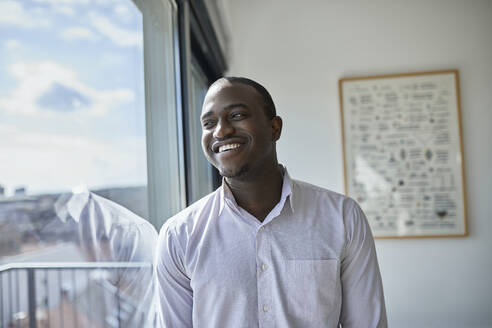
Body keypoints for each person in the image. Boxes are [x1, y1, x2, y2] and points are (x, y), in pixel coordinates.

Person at [155, 77, 387, 327]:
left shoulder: (343, 217)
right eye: (209, 123)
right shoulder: (179, 236)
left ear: (274, 128)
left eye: (236, 115)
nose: (221, 131)